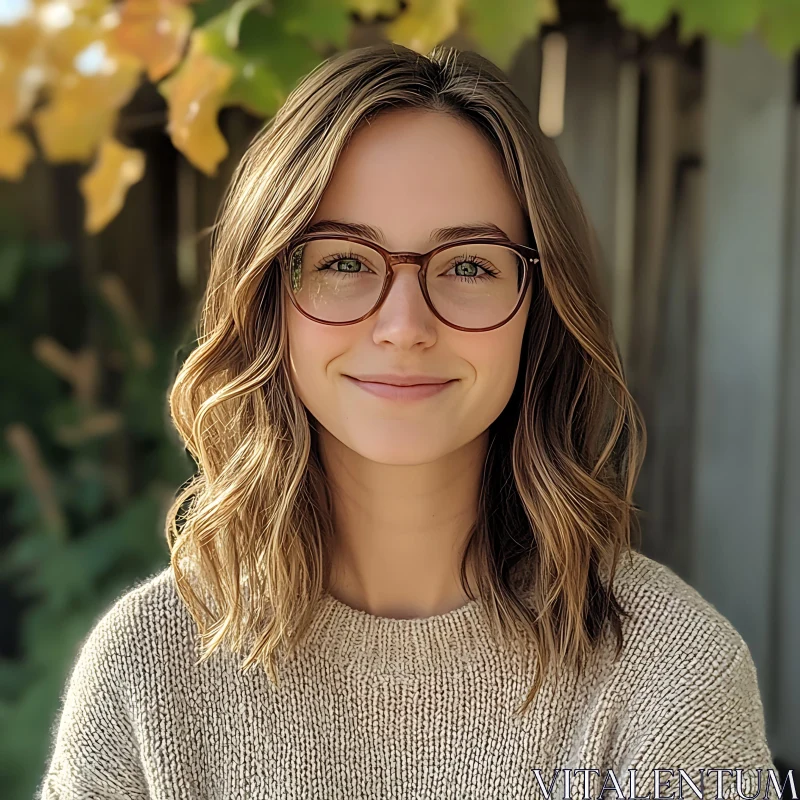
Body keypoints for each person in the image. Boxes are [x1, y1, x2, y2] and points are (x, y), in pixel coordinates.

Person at [38, 42, 778, 800]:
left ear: (541, 310)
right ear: (269, 300)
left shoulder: (672, 674)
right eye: (344, 262)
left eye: (468, 266)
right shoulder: (144, 670)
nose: (403, 325)